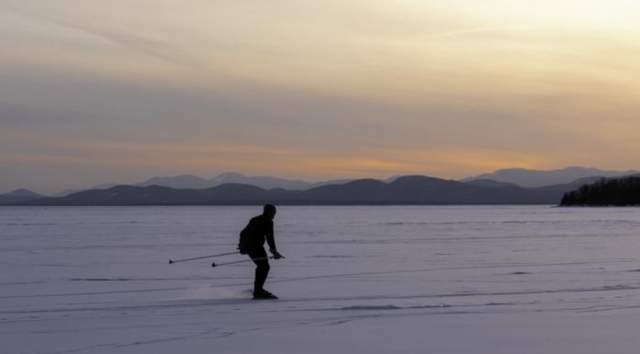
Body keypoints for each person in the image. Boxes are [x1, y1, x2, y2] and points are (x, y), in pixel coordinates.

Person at [238, 204, 284, 299]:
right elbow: (270, 238)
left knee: (262, 266)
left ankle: (258, 290)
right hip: (256, 247)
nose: (274, 214)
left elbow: (243, 232)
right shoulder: (268, 222)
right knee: (264, 266)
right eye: (273, 212)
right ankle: (258, 291)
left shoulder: (254, 219)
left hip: (250, 247)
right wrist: (274, 252)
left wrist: (242, 246)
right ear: (269, 212)